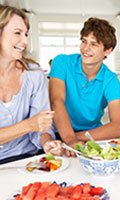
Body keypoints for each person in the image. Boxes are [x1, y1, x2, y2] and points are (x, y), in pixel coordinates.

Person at [49, 17, 120, 156]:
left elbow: (119, 125)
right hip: (59, 133)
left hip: (90, 136)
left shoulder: (110, 80)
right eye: (84, 41)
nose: (85, 49)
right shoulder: (62, 62)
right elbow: (56, 101)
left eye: (94, 44)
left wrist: (76, 138)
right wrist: (68, 138)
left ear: (107, 51)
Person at [0, 5, 62, 164]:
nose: (25, 41)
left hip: (29, 159)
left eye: (26, 34)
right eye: (17, 33)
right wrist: (29, 125)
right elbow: (33, 124)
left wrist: (47, 142)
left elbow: (42, 126)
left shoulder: (34, 73)